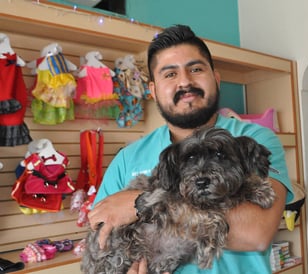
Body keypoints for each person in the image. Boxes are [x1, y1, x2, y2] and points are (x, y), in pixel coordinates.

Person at [88, 24, 294, 274]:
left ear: (216, 79)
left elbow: (256, 232)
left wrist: (142, 204)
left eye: (195, 69)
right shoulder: (126, 159)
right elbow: (100, 240)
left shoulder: (255, 139)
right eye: (170, 74)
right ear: (152, 90)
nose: (185, 81)